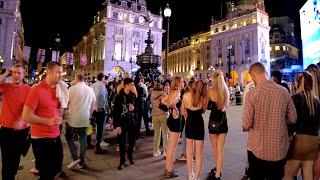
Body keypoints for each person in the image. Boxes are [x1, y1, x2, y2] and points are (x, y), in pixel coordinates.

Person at [242, 62, 297, 180]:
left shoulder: (252, 94)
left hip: (258, 149)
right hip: (278, 149)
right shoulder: (283, 91)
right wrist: (280, 119)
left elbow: (246, 124)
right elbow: (293, 118)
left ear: (253, 75)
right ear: (265, 73)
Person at [22, 62, 64, 180]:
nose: (61, 75)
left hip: (56, 135)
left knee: (56, 168)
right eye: (58, 72)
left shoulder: (58, 89)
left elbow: (56, 111)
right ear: (49, 72)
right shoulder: (37, 89)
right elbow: (26, 115)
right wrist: (48, 122)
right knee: (46, 173)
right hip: (41, 139)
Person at [284, 71, 320, 180]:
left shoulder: (295, 98)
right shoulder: (316, 101)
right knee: (307, 171)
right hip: (314, 140)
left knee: (288, 174)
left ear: (298, 83)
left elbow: (292, 121)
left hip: (299, 140)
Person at [0, 64, 31, 180]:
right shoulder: (6, 87)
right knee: (6, 161)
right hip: (5, 130)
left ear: (23, 75)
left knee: (15, 160)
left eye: (19, 73)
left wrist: (23, 121)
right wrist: (5, 73)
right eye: (14, 73)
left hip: (21, 131)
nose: (16, 75)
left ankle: (12, 174)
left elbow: (32, 109)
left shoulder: (28, 89)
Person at [65, 74, 96, 169]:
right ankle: (81, 161)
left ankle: (75, 157)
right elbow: (93, 104)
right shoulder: (90, 89)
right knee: (83, 139)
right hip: (84, 119)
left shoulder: (71, 89)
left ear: (76, 79)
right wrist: (89, 115)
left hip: (72, 119)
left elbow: (66, 103)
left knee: (68, 136)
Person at [181, 80, 208, 180]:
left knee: (189, 151)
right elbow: (204, 111)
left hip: (189, 123)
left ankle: (190, 174)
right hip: (199, 124)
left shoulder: (186, 95)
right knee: (199, 153)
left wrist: (187, 118)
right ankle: (196, 177)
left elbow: (183, 111)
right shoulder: (203, 98)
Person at [207, 71, 230, 180]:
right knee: (220, 149)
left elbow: (206, 107)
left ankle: (217, 168)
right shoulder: (226, 91)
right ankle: (218, 173)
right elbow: (226, 107)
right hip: (223, 122)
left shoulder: (210, 91)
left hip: (213, 122)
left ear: (214, 79)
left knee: (215, 148)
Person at [161, 76, 184, 178]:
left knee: (171, 147)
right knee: (172, 148)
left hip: (171, 120)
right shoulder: (177, 93)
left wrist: (171, 107)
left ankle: (168, 168)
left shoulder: (172, 93)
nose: (183, 83)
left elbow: (163, 101)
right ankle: (169, 169)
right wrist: (175, 109)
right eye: (182, 82)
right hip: (175, 120)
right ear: (178, 83)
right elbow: (171, 103)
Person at [113, 78, 137, 170]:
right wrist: (117, 125)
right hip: (121, 122)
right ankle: (122, 161)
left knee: (132, 140)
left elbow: (136, 109)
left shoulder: (132, 95)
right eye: (131, 84)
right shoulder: (119, 96)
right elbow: (115, 112)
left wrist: (133, 108)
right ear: (126, 85)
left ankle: (130, 155)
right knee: (121, 142)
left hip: (131, 121)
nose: (133, 86)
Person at [91, 73, 108, 154]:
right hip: (99, 109)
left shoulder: (93, 85)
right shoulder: (101, 85)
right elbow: (99, 95)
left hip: (93, 109)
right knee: (100, 127)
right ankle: (97, 147)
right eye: (104, 78)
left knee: (92, 126)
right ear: (102, 78)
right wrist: (97, 106)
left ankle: (89, 143)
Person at [151, 83, 169, 157]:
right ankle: (166, 151)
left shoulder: (151, 95)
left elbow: (151, 105)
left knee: (156, 134)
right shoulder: (164, 95)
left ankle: (155, 151)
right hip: (163, 115)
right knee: (165, 134)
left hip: (154, 116)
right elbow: (168, 105)